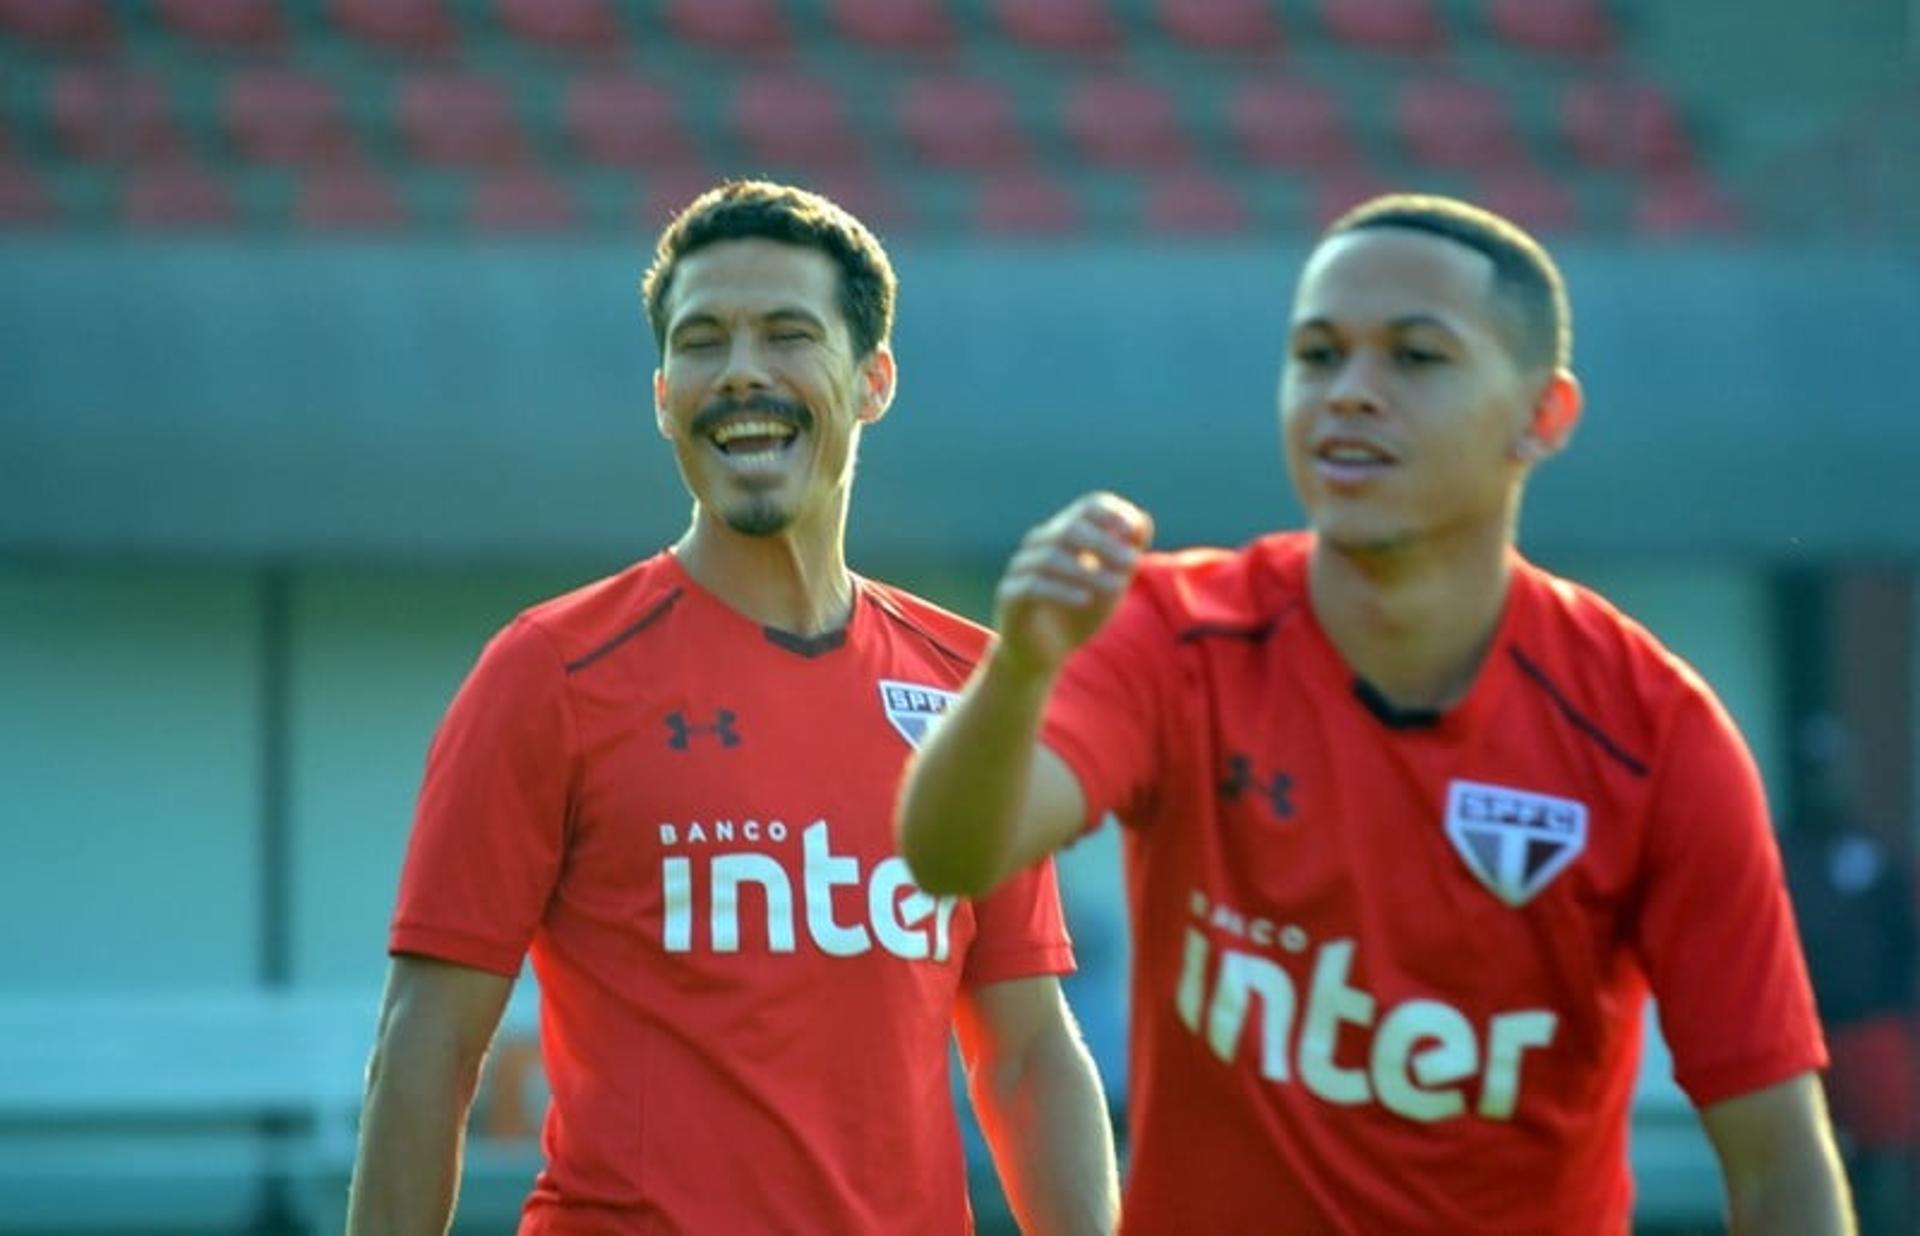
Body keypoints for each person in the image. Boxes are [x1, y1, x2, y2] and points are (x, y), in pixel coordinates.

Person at [896, 193, 1854, 1235]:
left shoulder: (1656, 732)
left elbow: (1777, 1160)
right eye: (1318, 356)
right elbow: (952, 854)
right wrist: (1022, 666)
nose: (1350, 395)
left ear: (1544, 416)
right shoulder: (1178, 632)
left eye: (1416, 358)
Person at [346, 179, 1119, 1235]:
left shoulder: (969, 685)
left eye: (788, 333)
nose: (741, 371)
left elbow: (1027, 1052)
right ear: (664, 393)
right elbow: (426, 1050)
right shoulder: (550, 672)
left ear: (875, 379)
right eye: (701, 341)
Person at [1783, 714, 1918, 1236]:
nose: (1824, 782)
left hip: (1871, 1034)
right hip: (1799, 1038)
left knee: (1881, 1169)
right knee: (1805, 1166)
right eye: (1814, 772)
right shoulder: (1781, 852)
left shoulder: (1880, 852)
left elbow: (1907, 940)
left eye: (1832, 769)